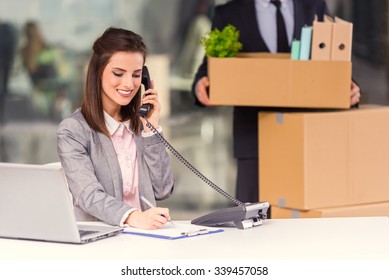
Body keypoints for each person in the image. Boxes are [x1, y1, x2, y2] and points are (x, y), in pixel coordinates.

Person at [192, 0, 361, 204]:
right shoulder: (228, 13)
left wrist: (346, 85)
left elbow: (332, 60)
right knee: (254, 224)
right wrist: (201, 83)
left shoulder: (314, 6)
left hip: (306, 138)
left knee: (305, 221)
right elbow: (210, 65)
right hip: (254, 140)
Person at [57, 27, 174, 229]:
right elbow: (88, 195)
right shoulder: (73, 131)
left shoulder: (141, 127)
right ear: (98, 73)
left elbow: (163, 190)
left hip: (146, 240)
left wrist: (151, 130)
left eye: (137, 75)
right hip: (100, 243)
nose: (129, 84)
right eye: (119, 73)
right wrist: (133, 216)